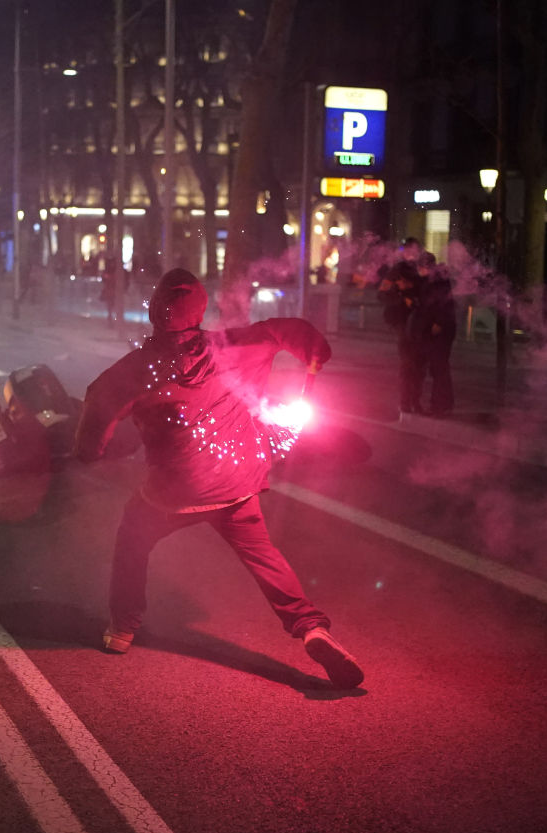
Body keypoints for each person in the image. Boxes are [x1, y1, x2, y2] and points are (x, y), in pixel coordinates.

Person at [73, 269, 364, 689]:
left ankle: (122, 628)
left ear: (155, 311)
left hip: (171, 492)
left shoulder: (135, 369)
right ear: (200, 311)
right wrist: (314, 354)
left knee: (132, 540)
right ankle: (310, 628)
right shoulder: (235, 347)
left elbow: (96, 406)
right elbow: (285, 331)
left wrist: (89, 452)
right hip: (234, 484)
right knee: (263, 555)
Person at [377, 238, 426, 414]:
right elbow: (382, 294)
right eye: (409, 250)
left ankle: (416, 401)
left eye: (415, 250)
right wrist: (401, 300)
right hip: (404, 323)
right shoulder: (397, 271)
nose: (412, 254)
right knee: (407, 365)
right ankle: (406, 402)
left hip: (421, 323)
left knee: (420, 365)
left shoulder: (422, 269)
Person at [413, 251, 456, 415]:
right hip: (433, 328)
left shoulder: (438, 280)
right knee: (438, 368)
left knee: (439, 367)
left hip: (440, 330)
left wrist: (438, 322)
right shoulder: (432, 280)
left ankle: (441, 405)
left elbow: (444, 303)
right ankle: (440, 404)